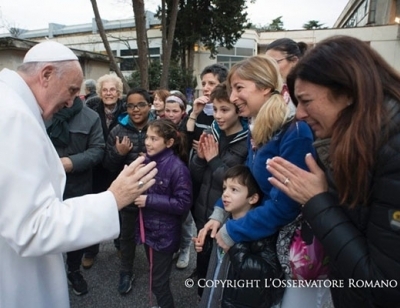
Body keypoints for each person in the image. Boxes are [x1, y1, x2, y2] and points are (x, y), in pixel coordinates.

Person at [0, 40, 157, 308]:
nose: (73, 100)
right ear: (46, 75)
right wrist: (114, 198)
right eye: (72, 89)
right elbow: (32, 228)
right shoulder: (13, 116)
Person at [266, 35, 400, 308]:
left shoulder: (392, 152)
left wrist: (317, 201)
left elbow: (384, 284)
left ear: (348, 92)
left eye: (305, 101)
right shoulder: (354, 142)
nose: (299, 114)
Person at [196, 55, 317, 304]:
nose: (232, 97)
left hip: (286, 250)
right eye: (232, 90)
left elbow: (285, 205)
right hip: (261, 236)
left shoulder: (294, 131)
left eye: (239, 88)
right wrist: (219, 212)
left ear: (264, 87)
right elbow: (246, 180)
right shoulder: (260, 126)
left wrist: (234, 229)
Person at [190, 82, 248, 296]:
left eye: (224, 110)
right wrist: (199, 157)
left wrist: (214, 160)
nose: (218, 115)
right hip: (202, 211)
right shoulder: (213, 133)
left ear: (237, 110)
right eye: (214, 109)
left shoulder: (245, 142)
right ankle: (201, 294)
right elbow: (196, 175)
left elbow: (235, 184)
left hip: (225, 217)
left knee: (221, 271)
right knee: (203, 262)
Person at [196, 165, 283, 308]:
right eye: (224, 188)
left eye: (234, 190)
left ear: (253, 198)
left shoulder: (260, 232)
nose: (225, 194)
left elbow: (265, 274)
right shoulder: (223, 223)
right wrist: (205, 247)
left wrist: (236, 245)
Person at [46, 96, 104, 295]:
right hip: (45, 186)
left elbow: (98, 150)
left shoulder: (91, 117)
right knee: (46, 230)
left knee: (75, 232)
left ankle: (73, 270)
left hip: (77, 186)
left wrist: (69, 163)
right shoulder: (42, 113)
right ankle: (48, 275)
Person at [134, 118, 192, 308]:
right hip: (149, 229)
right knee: (153, 276)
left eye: (154, 139)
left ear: (169, 143)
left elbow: (183, 203)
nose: (148, 142)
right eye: (147, 137)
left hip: (164, 234)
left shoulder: (178, 168)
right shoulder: (148, 161)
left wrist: (148, 200)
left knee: (159, 283)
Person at [103, 87, 154, 294]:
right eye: (131, 105)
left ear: (149, 106)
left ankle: (156, 268)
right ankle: (126, 271)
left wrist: (153, 157)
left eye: (140, 104)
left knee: (155, 231)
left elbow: (175, 156)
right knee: (126, 235)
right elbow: (107, 165)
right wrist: (119, 153)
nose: (135, 110)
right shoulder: (117, 130)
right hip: (129, 193)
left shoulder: (159, 127)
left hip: (154, 192)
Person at [82, 74, 127, 268]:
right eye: (105, 90)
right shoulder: (91, 109)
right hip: (97, 168)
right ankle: (91, 249)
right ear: (100, 93)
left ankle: (120, 244)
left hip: (119, 165)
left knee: (121, 207)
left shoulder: (126, 110)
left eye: (113, 90)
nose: (109, 93)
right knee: (96, 208)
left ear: (118, 92)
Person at [164, 91, 194, 269]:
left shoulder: (187, 127)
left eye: (175, 111)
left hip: (184, 178)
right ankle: (175, 247)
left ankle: (185, 249)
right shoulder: (161, 126)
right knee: (170, 215)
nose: (170, 114)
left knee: (185, 218)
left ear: (183, 111)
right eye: (168, 110)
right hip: (166, 178)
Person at [265, 38, 308, 114]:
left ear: (294, 61)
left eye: (275, 62)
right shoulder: (270, 90)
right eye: (267, 64)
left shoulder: (307, 88)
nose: (270, 68)